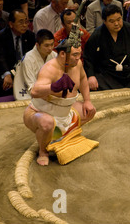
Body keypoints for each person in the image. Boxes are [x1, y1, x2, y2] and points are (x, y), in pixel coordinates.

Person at [23, 26, 96, 166]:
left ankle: (63, 136)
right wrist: (53, 87)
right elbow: (34, 91)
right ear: (63, 54)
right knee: (47, 124)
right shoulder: (50, 69)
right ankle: (43, 151)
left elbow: (83, 79)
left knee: (90, 111)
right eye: (74, 55)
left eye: (79, 54)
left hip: (65, 112)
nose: (78, 58)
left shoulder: (77, 64)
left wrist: (87, 100)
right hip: (40, 112)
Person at [83, 4, 130, 91]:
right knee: (92, 84)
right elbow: (88, 58)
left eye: (119, 19)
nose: (116, 24)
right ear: (104, 21)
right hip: (108, 75)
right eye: (112, 21)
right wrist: (91, 76)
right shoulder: (97, 35)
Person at [0, 9, 35, 96]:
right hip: (9, 70)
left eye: (26, 22)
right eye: (21, 22)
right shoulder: (1, 36)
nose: (24, 25)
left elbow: (33, 55)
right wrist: (7, 74)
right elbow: (0, 58)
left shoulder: (30, 36)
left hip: (26, 71)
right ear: (11, 24)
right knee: (1, 83)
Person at [13, 29, 57, 100]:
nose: (50, 48)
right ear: (37, 45)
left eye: (52, 44)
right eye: (46, 45)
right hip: (28, 94)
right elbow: (31, 87)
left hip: (49, 92)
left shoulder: (54, 56)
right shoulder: (28, 59)